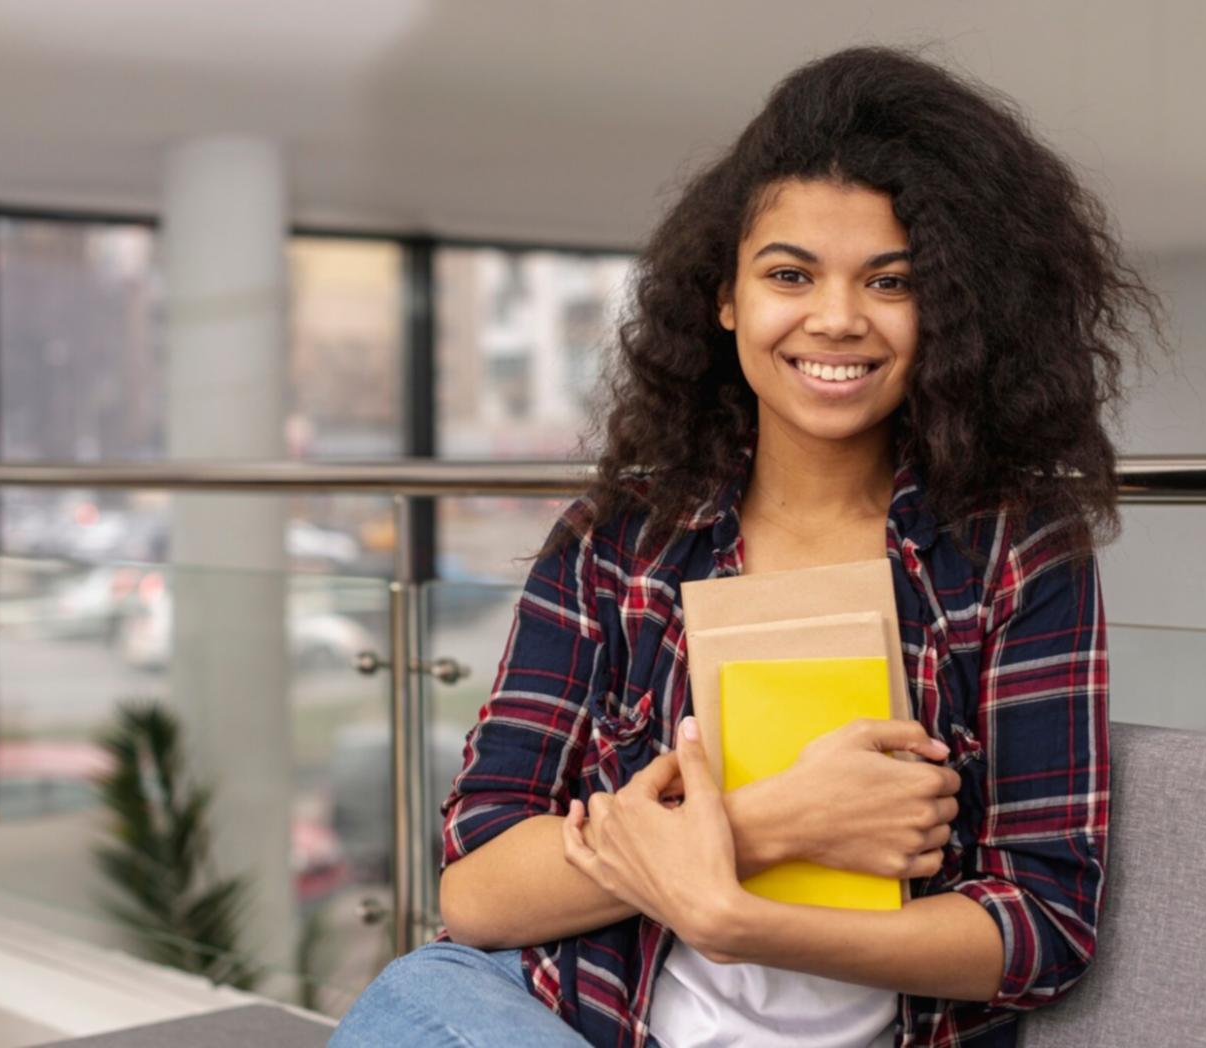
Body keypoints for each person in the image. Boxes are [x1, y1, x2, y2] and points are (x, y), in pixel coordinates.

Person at [333, 45, 1160, 1048]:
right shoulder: (617, 545)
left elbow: (1043, 926)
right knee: (425, 993)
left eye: (889, 280)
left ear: (952, 310)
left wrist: (734, 915)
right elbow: (479, 890)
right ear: (724, 298)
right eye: (788, 273)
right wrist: (775, 820)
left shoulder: (1012, 557)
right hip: (581, 1023)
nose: (836, 318)